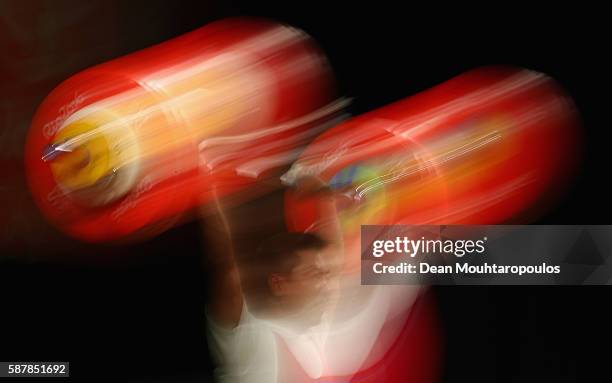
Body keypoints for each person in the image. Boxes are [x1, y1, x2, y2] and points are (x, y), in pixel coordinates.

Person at [200, 177, 420, 382]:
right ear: (279, 283)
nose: (326, 283)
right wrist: (209, 187)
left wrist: (327, 199)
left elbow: (333, 262)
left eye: (324, 275)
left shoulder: (310, 330)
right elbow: (228, 268)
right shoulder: (253, 335)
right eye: (314, 275)